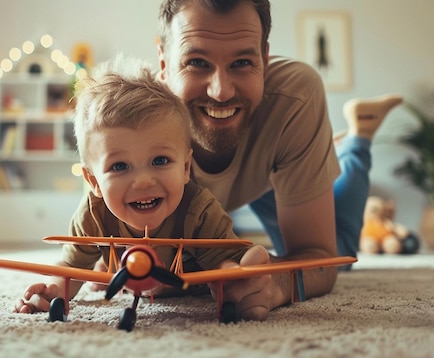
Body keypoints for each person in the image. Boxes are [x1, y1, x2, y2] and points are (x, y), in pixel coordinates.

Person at [155, 0, 403, 320]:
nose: (220, 91)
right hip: (261, 170)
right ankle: (335, 146)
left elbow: (319, 258)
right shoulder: (128, 115)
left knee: (341, 250)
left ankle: (358, 139)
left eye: (242, 62)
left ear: (265, 59)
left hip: (270, 172)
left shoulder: (295, 97)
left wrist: (275, 284)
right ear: (163, 63)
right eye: (197, 62)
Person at [14, 56, 255, 315]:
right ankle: (105, 269)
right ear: (94, 181)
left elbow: (226, 266)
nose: (142, 181)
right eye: (119, 166)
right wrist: (53, 289)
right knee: (93, 272)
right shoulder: (93, 214)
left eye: (160, 160)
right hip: (131, 279)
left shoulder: (200, 211)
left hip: (186, 289)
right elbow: (70, 268)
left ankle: (104, 269)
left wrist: (235, 277)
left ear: (186, 168)